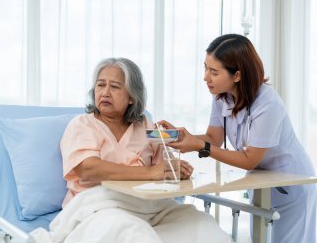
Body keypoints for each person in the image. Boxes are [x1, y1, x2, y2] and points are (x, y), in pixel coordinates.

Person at [158, 34, 317, 243]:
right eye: (205, 68)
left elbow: (249, 158)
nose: (205, 77)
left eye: (214, 72)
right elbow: (213, 137)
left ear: (237, 75)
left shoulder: (268, 104)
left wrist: (200, 145)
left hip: (292, 184)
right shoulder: (221, 97)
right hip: (262, 184)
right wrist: (181, 137)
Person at [58, 57, 231, 243]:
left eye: (115, 87)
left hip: (148, 207)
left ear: (132, 96)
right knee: (131, 232)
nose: (105, 93)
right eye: (100, 85)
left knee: (202, 224)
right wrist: (150, 172)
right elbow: (88, 168)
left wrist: (176, 169)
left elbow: (164, 166)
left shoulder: (145, 125)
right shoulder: (82, 125)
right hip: (99, 208)